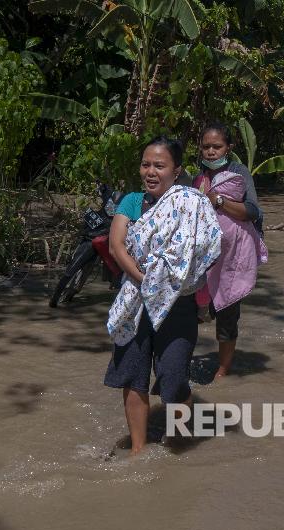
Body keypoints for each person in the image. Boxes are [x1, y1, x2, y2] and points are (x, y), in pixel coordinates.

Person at [104, 136, 221, 455]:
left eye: (159, 165)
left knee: (174, 377)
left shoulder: (190, 203)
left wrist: (169, 288)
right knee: (133, 377)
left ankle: (177, 444)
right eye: (146, 164)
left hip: (177, 304)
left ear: (176, 170)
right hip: (135, 300)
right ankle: (139, 451)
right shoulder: (130, 201)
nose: (150, 171)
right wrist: (148, 282)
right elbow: (117, 246)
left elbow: (206, 247)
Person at [192, 123, 266, 378]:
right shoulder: (197, 177)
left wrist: (219, 201)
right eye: (206, 147)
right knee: (190, 311)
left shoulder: (239, 172)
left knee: (227, 314)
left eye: (217, 146)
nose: (211, 152)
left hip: (231, 257)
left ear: (229, 148)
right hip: (203, 257)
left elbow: (253, 212)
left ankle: (222, 372)